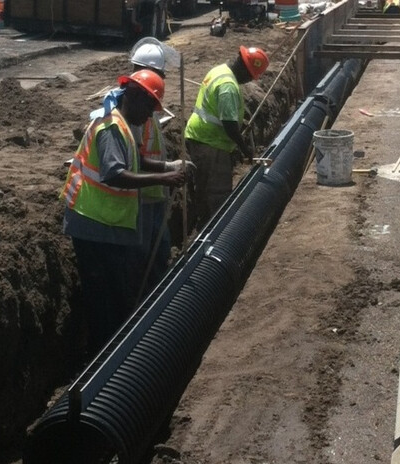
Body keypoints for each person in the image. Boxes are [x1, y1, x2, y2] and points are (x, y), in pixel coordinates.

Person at [61, 70, 187, 355]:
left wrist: (168, 167)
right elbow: (114, 174)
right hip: (93, 225)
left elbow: (136, 160)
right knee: (104, 300)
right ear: (133, 96)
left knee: (117, 295)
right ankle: (101, 357)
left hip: (107, 225)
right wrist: (163, 180)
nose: (149, 116)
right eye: (149, 107)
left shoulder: (124, 124)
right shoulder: (110, 128)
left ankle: (113, 349)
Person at [89, 38, 191, 296]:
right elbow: (125, 160)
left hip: (154, 191)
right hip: (139, 196)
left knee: (159, 251)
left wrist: (170, 166)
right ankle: (147, 301)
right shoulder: (125, 109)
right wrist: (165, 174)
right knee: (142, 258)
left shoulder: (144, 103)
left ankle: (157, 294)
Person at [183, 45, 269, 229]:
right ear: (245, 69)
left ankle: (203, 226)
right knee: (217, 194)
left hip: (201, 137)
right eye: (250, 76)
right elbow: (229, 126)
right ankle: (215, 231)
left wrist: (239, 123)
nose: (248, 81)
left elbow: (220, 111)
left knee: (203, 189)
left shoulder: (219, 70)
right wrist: (245, 149)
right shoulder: (228, 86)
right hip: (211, 144)